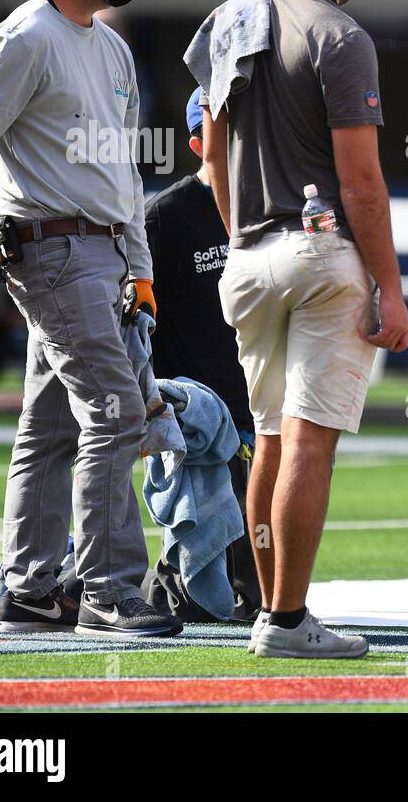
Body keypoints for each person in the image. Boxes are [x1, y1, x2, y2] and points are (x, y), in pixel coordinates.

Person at [0, 0, 181, 638]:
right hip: (53, 250)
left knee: (50, 427)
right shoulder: (24, 39)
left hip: (97, 252)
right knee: (115, 413)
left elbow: (123, 170)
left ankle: (30, 586)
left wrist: (139, 266)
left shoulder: (109, 46)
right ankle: (107, 590)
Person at [186, 0, 408, 658]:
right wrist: (391, 284)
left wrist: (244, 239)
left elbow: (210, 156)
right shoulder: (342, 35)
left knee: (270, 439)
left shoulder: (229, 20)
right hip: (320, 250)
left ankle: (268, 610)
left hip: (246, 254)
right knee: (309, 442)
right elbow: (362, 184)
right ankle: (286, 622)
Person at [141, 88, 261, 622]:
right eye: (231, 132)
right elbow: (133, 325)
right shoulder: (163, 219)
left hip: (263, 412)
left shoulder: (271, 212)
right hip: (200, 426)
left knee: (259, 597)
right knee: (197, 597)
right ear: (198, 143)